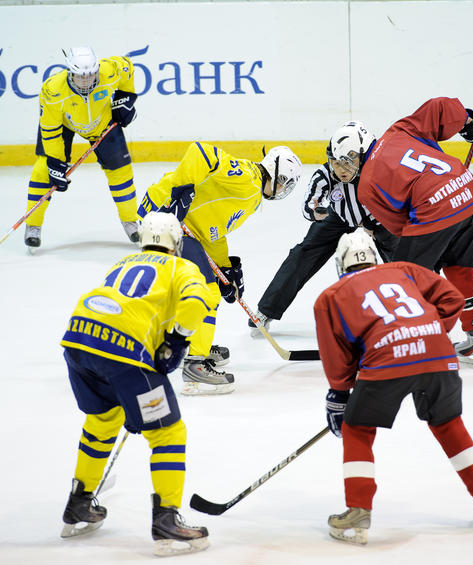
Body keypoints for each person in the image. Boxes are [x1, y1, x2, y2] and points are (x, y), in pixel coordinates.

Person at [313, 230, 473, 545]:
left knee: (357, 429)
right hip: (438, 355)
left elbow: (336, 355)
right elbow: (453, 298)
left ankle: (358, 509)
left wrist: (339, 394)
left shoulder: (330, 297)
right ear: (375, 257)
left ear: (340, 264)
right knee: (448, 423)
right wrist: (429, 331)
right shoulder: (403, 269)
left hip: (385, 361)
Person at [59, 211, 211, 556]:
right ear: (176, 242)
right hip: (125, 353)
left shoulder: (123, 262)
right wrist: (176, 341)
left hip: (78, 341)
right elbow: (196, 302)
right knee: (167, 433)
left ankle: (79, 503)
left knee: (102, 420)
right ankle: (166, 520)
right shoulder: (181, 267)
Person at [337, 98, 473, 366]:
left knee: (402, 280)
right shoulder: (399, 130)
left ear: (358, 153)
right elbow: (440, 107)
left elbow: (399, 227)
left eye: (347, 160)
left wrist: (426, 252)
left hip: (436, 209)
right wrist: (468, 122)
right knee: (459, 269)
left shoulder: (366, 186)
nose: (343, 168)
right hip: (468, 193)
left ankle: (412, 343)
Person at [137, 142, 302, 393]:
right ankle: (196, 363)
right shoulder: (247, 179)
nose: (282, 190)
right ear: (276, 174)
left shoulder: (252, 195)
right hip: (163, 217)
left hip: (181, 225)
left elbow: (212, 231)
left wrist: (224, 268)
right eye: (284, 183)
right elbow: (200, 152)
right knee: (206, 292)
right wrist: (180, 190)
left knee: (197, 288)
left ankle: (193, 343)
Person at [248, 122, 400, 337]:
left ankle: (419, 305)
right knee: (303, 253)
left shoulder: (378, 169)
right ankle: (266, 310)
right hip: (338, 217)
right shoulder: (324, 174)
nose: (342, 169)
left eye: (347, 162)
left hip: (378, 220)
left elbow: (396, 203)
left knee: (403, 259)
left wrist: (371, 225)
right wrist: (315, 211)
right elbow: (309, 203)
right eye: (336, 163)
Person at [23, 46, 141, 250]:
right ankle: (33, 225)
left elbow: (127, 67)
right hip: (64, 125)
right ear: (69, 73)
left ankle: (131, 221)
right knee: (43, 170)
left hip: (101, 122)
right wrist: (55, 162)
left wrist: (126, 97)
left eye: (91, 75)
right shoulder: (52, 90)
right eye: (80, 77)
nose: (86, 81)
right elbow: (50, 131)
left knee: (121, 170)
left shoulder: (110, 70)